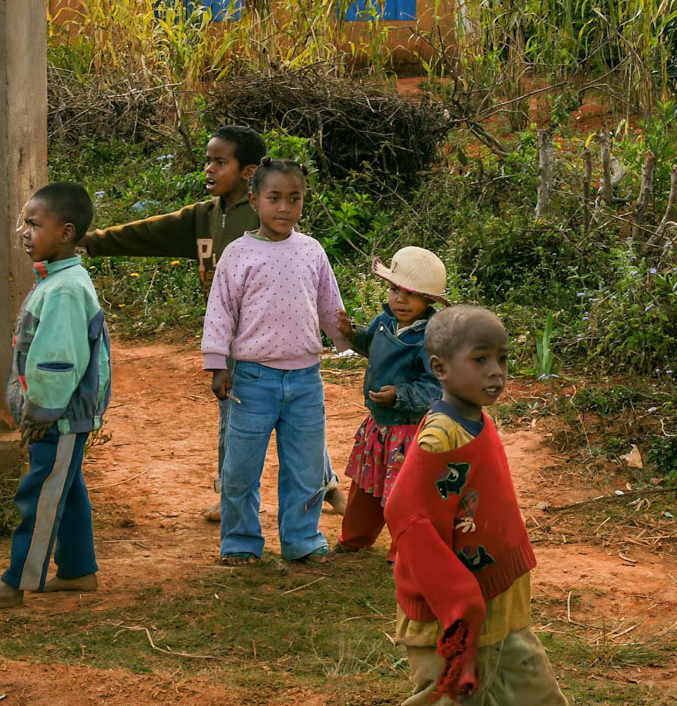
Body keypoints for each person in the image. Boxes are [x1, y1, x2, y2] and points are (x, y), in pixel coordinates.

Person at [80, 126, 349, 522]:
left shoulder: (264, 221)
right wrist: (90, 241)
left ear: (247, 172)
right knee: (237, 419)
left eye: (220, 162)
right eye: (208, 160)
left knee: (295, 419)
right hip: (237, 342)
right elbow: (149, 233)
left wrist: (347, 336)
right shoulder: (205, 216)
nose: (209, 169)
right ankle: (237, 497)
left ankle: (318, 487)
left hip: (278, 342)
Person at [384, 304, 565, 706]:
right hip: (451, 611)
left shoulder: (477, 418)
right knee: (446, 694)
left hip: (498, 599)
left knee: (532, 690)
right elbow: (405, 514)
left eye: (502, 359)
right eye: (480, 359)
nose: (495, 371)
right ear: (440, 368)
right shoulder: (439, 437)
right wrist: (457, 598)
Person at [0, 182, 112, 612]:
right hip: (61, 417)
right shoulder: (58, 279)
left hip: (57, 418)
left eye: (33, 224)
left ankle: (15, 584)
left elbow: (57, 362)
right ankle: (78, 571)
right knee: (68, 486)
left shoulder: (63, 289)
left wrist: (40, 412)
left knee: (41, 494)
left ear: (65, 233)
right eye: (23, 223)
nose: (23, 232)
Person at [203, 158, 350, 565]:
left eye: (294, 198)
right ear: (254, 200)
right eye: (274, 198)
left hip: (306, 381)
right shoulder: (237, 254)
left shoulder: (312, 251)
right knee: (240, 470)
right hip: (251, 381)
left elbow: (329, 307)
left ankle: (302, 540)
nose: (284, 207)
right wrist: (218, 365)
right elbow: (220, 312)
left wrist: (350, 341)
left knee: (304, 469)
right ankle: (240, 542)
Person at [333, 246, 446, 555]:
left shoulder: (430, 338)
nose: (399, 299)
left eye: (410, 294)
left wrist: (400, 395)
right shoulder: (384, 321)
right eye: (395, 289)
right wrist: (352, 334)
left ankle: (405, 552)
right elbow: (372, 347)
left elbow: (436, 386)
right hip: (380, 426)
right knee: (366, 487)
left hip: (410, 432)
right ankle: (353, 540)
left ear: (429, 300)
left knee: (406, 494)